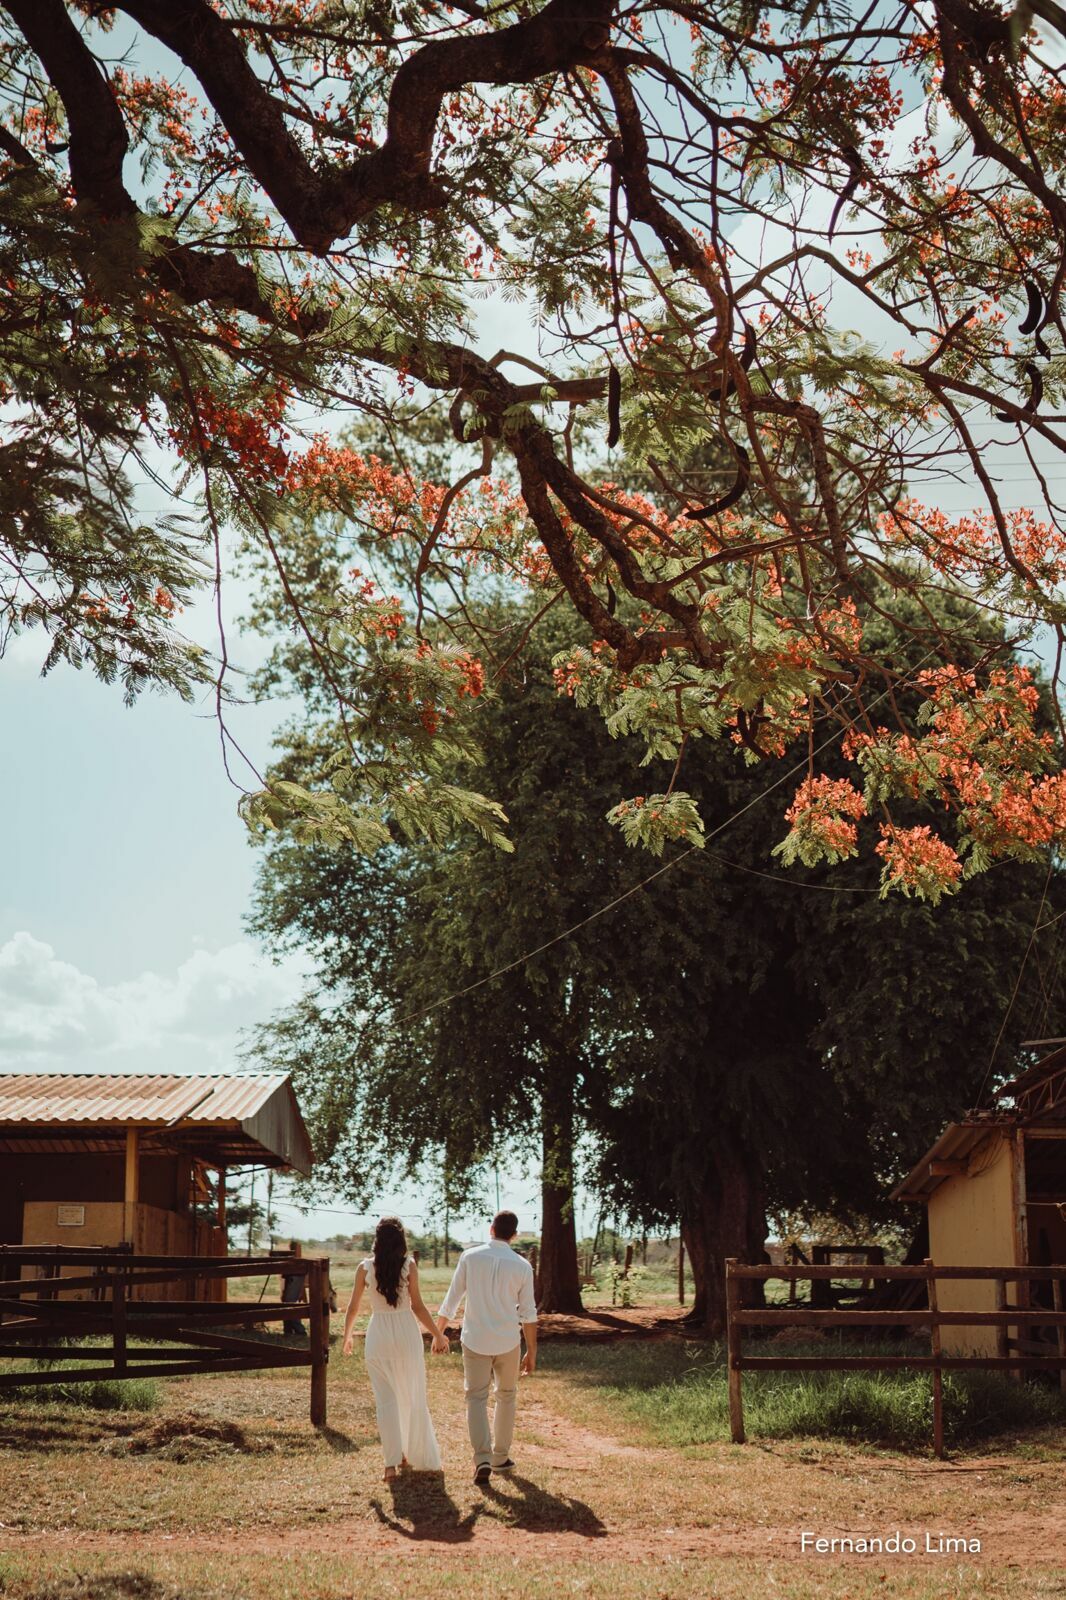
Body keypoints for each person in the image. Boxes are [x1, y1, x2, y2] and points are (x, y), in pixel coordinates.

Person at [435, 1210, 538, 1486]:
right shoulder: (522, 1266)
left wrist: (439, 1331)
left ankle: (482, 1458)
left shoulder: (470, 1257)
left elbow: (452, 1298)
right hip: (508, 1342)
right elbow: (528, 1313)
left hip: (476, 1340)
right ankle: (500, 1457)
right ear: (514, 1235)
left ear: (491, 1229)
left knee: (476, 1398)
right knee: (507, 1396)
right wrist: (532, 1351)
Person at [342, 1216, 448, 1480]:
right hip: (405, 1334)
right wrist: (438, 1335)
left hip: (378, 1336)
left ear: (377, 1239)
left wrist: (347, 1336)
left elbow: (353, 1307)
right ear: (401, 1239)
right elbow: (418, 1307)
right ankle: (411, 1453)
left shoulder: (364, 1268)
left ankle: (391, 1463)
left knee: (386, 1401)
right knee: (412, 1395)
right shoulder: (409, 1265)